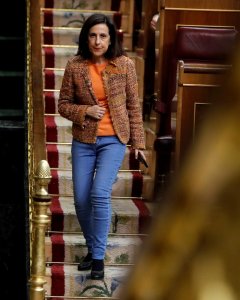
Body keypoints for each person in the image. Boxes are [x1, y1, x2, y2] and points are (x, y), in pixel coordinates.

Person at [58, 13, 146, 280]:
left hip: (114, 140)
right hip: (83, 141)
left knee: (99, 194)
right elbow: (62, 105)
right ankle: (93, 247)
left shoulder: (125, 65)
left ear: (111, 39)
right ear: (86, 37)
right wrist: (86, 110)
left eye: (103, 36)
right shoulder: (75, 65)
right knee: (81, 201)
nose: (98, 41)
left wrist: (139, 142)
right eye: (93, 35)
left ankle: (98, 259)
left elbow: (133, 105)